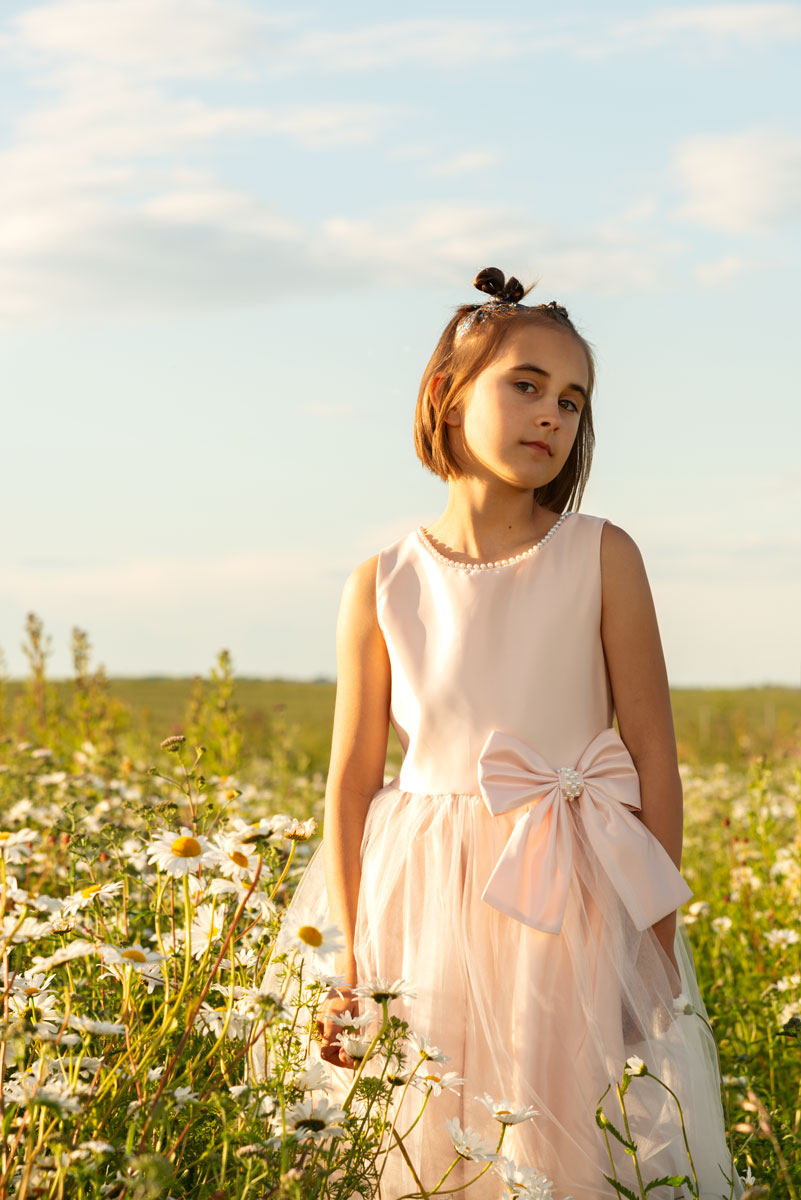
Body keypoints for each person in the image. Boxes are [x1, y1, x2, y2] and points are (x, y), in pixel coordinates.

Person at [260, 268, 742, 1199]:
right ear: (446, 392)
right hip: (423, 896)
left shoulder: (602, 553)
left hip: (569, 890)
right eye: (524, 384)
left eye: (571, 400)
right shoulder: (381, 580)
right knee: (428, 1133)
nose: (551, 416)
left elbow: (652, 757)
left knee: (561, 1134)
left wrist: (649, 949)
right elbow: (351, 783)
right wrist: (348, 959)